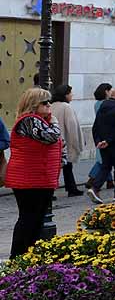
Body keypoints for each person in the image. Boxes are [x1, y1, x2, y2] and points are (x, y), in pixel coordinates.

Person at [6, 88, 63, 257]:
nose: (49, 106)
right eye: (44, 103)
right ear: (33, 105)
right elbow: (51, 136)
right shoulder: (29, 120)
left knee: (35, 220)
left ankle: (28, 256)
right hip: (29, 179)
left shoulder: (38, 120)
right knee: (29, 219)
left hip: (38, 178)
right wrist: (55, 122)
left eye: (49, 102)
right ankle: (18, 257)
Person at [88, 88, 115, 203]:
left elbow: (95, 126)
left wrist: (99, 141)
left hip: (104, 144)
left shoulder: (102, 107)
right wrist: (109, 140)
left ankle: (95, 188)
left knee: (106, 166)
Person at [49, 84, 83, 197]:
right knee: (65, 166)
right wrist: (77, 143)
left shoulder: (51, 106)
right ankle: (68, 189)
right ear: (65, 95)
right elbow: (72, 126)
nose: (72, 95)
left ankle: (70, 188)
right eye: (70, 93)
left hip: (54, 140)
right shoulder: (66, 107)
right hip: (65, 142)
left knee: (59, 167)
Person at [88, 83, 113, 189]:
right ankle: (92, 178)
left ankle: (110, 181)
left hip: (99, 131)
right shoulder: (106, 103)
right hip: (105, 132)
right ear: (106, 91)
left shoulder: (97, 103)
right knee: (103, 159)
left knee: (105, 158)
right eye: (110, 90)